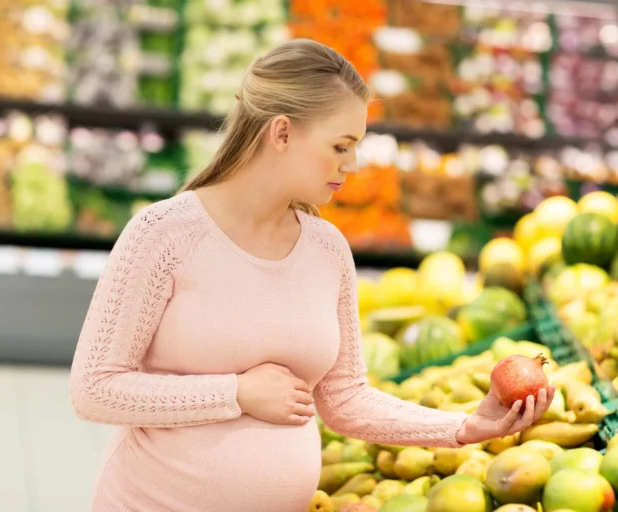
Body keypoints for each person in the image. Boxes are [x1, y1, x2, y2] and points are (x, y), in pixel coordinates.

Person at [69, 39, 555, 512]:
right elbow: (94, 388)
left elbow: (345, 399)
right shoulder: (165, 233)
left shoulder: (326, 250)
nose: (354, 163)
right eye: (341, 145)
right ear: (281, 133)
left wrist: (465, 426)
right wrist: (235, 393)